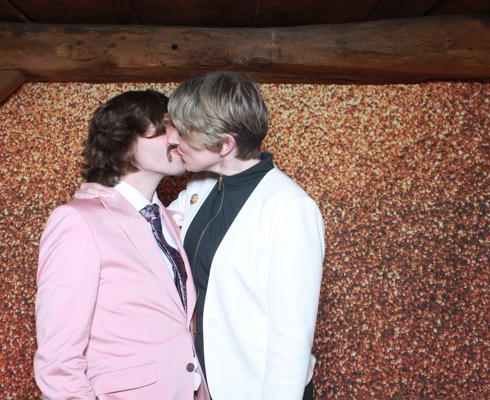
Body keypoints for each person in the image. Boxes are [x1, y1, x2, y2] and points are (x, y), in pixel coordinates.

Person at [34, 90, 209, 400]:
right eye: (167, 125)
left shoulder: (167, 219)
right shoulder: (77, 221)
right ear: (124, 136)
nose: (179, 137)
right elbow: (58, 364)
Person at [167, 72, 325, 400]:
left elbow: (291, 335)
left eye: (185, 132)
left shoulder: (289, 207)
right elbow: (148, 231)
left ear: (225, 144)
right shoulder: (201, 186)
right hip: (201, 382)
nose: (174, 140)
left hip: (252, 388)